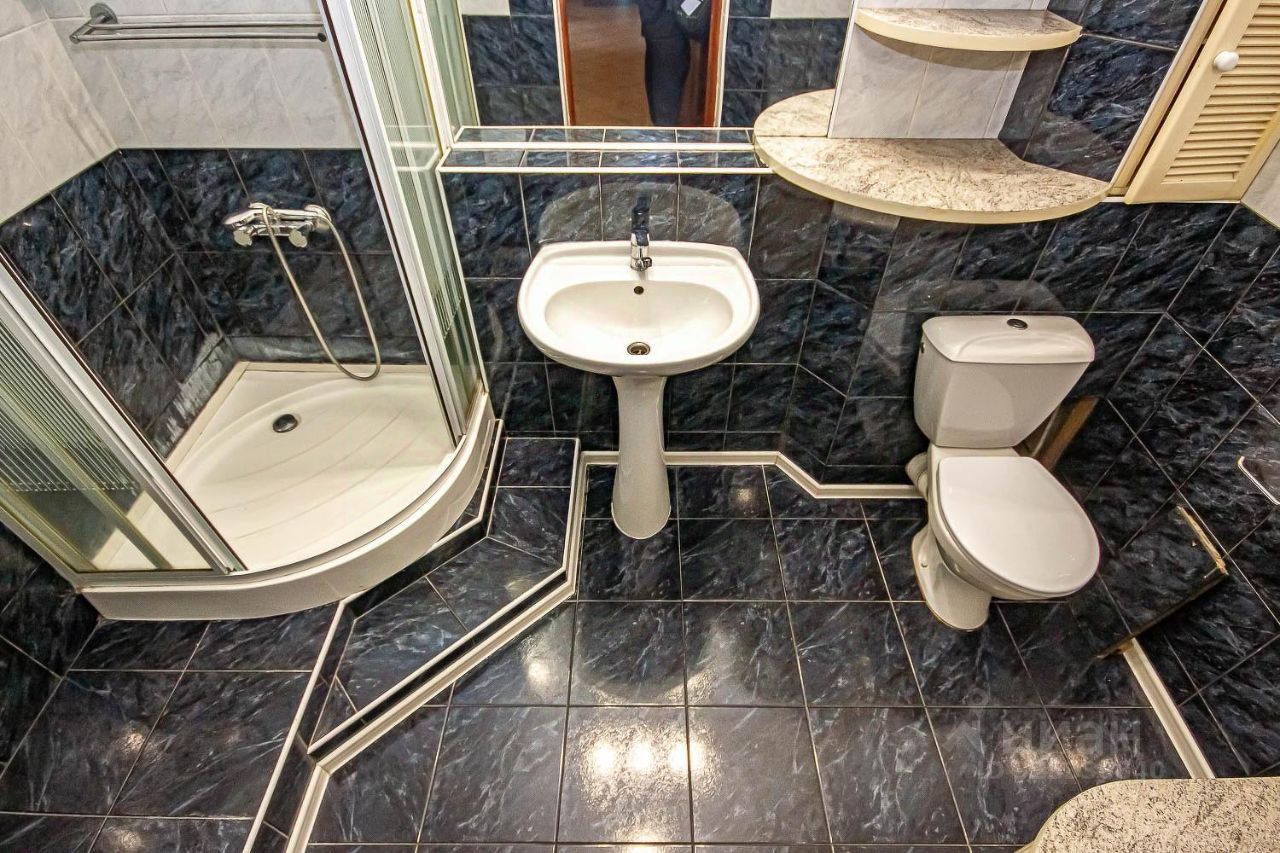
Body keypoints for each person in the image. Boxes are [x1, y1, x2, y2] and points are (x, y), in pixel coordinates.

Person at [636, 0, 690, 126]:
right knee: (665, 92)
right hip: (666, 25)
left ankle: (661, 126)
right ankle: (664, 130)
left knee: (659, 81)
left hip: (660, 22)